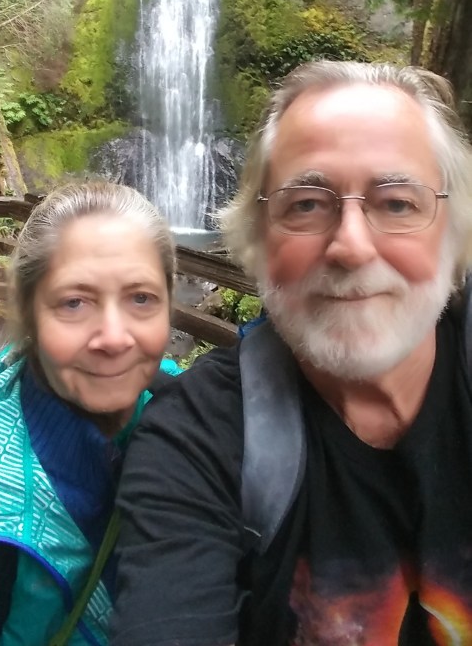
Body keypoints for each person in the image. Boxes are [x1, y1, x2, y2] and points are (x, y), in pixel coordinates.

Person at [111, 60, 472, 646]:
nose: (351, 246)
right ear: (257, 238)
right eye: (306, 204)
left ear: (454, 232)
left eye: (397, 203)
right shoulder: (197, 440)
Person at [0, 180, 178, 646]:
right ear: (28, 311)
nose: (114, 338)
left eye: (141, 298)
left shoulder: (183, 405)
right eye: (74, 302)